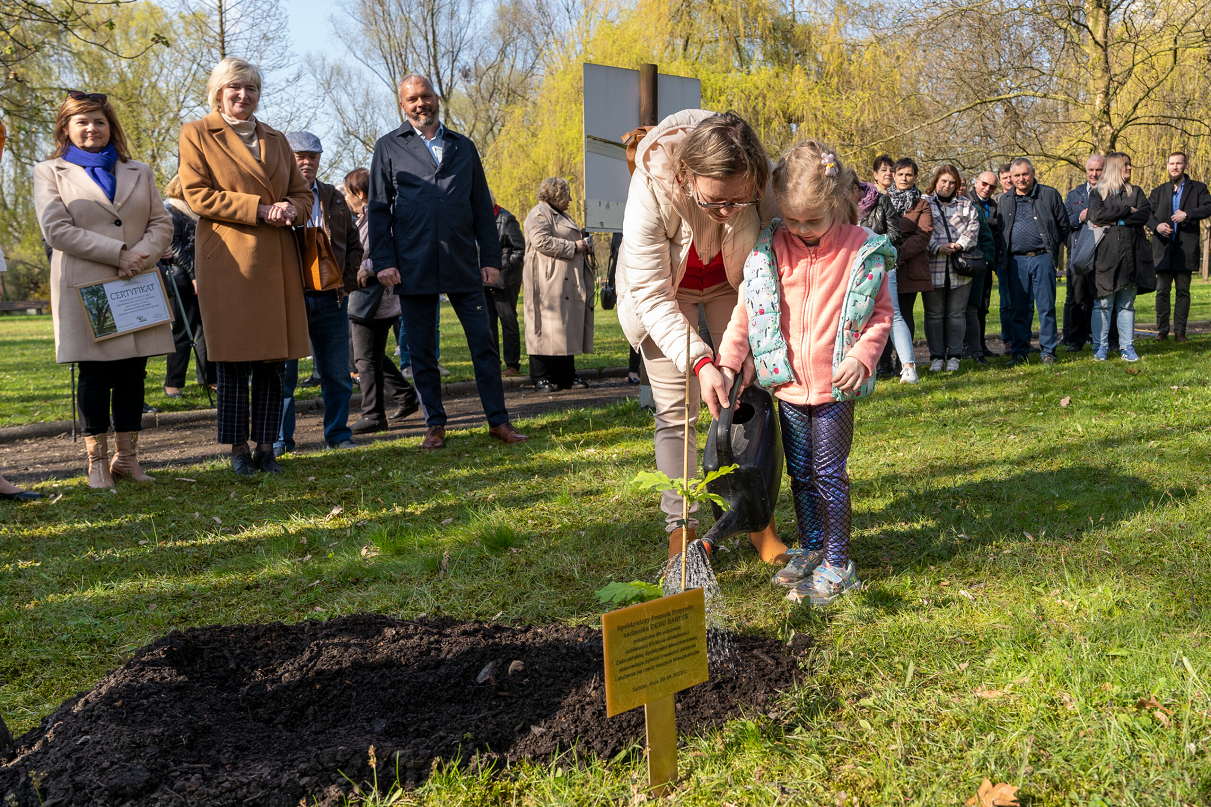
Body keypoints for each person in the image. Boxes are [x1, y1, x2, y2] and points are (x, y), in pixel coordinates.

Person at [709, 140, 892, 606]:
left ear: (835, 202)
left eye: (813, 220)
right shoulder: (771, 249)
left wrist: (861, 357)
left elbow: (881, 315)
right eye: (792, 219)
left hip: (835, 386)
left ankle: (837, 561)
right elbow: (747, 313)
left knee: (829, 472)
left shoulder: (860, 251)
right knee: (802, 473)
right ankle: (811, 547)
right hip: (789, 386)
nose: (801, 230)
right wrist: (729, 361)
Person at [616, 109, 783, 562]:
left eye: (739, 202)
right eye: (715, 203)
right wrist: (702, 364)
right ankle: (683, 530)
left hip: (733, 284)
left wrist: (744, 342)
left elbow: (766, 262)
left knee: (748, 398)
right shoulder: (652, 184)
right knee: (677, 412)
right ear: (687, 176)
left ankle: (756, 518)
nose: (728, 213)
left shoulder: (759, 176)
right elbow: (650, 292)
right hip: (667, 293)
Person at [368, 73, 528, 450]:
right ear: (402, 106)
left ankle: (498, 421)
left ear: (436, 98)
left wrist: (490, 258)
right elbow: (377, 210)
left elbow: (480, 207)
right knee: (421, 350)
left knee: (484, 344)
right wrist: (383, 261)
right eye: (412, 100)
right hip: (413, 263)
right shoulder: (388, 147)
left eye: (425, 96)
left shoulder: (463, 146)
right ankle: (434, 425)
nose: (420, 104)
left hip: (462, 263)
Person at [178, 57, 313, 476]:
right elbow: (198, 195)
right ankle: (238, 450)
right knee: (233, 360)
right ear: (218, 92)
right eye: (234, 88)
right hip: (229, 260)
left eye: (251, 88)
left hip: (276, 259)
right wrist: (260, 209)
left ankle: (267, 448)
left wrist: (292, 207)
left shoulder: (275, 138)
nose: (243, 95)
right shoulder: (197, 133)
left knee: (274, 361)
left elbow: (303, 194)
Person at [33, 90, 173, 488]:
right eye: (82, 122)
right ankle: (96, 464)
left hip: (136, 281)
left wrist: (141, 255)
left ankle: (126, 459)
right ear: (66, 128)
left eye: (99, 121)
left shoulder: (138, 170)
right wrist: (119, 253)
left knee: (134, 372)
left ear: (111, 127)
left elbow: (162, 223)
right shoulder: (49, 171)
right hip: (86, 284)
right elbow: (56, 229)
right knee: (95, 375)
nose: (92, 128)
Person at [274, 131, 361, 456]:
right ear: (287, 159)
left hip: (330, 298)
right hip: (287, 298)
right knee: (284, 376)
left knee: (337, 373)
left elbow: (354, 244)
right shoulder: (275, 196)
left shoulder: (332, 197)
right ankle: (282, 440)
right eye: (300, 156)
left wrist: (345, 283)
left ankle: (338, 435)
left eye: (313, 156)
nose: (307, 161)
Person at [346, 167, 420, 432]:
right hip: (373, 299)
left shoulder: (380, 217)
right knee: (372, 355)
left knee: (364, 359)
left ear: (359, 193)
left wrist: (365, 267)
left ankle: (374, 414)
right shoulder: (366, 218)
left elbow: (395, 250)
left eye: (348, 192)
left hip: (375, 299)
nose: (346, 197)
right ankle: (404, 396)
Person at [996, 158, 1070, 366]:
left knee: (1046, 307)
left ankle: (1048, 352)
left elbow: (1063, 226)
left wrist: (1052, 250)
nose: (1021, 179)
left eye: (1024, 174)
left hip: (1042, 258)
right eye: (1016, 176)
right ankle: (1020, 352)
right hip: (1015, 261)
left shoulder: (1049, 194)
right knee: (1018, 308)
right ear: (1011, 177)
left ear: (1033, 173)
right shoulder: (1005, 200)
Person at [523, 177, 595, 391]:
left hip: (563, 281)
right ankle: (540, 376)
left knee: (566, 325)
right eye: (566, 195)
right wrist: (574, 246)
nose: (571, 199)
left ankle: (565, 375)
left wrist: (583, 247)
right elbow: (540, 241)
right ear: (556, 195)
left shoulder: (559, 214)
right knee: (543, 326)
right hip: (547, 281)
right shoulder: (538, 213)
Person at [1088, 152, 1152, 362]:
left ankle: (1127, 348)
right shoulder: (1098, 192)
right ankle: (1100, 349)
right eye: (1125, 165)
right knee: (1103, 304)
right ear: (1115, 167)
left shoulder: (1137, 191)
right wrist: (1125, 210)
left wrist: (1119, 221)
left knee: (1126, 304)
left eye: (1130, 165)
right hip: (1106, 258)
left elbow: (1144, 214)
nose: (1129, 168)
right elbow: (1096, 215)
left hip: (1132, 256)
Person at [1147, 151, 1211, 342]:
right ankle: (1162, 331)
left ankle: (1180, 332)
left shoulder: (1198, 188)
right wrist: (1156, 225)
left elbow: (1208, 207)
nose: (1174, 167)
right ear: (1167, 166)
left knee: (1183, 291)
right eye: (1171, 163)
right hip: (1163, 249)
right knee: (1162, 292)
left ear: (1186, 166)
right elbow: (1146, 214)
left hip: (1186, 250)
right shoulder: (1157, 191)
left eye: (1178, 163)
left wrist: (1188, 214)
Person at [160, 175, 212, 397]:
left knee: (206, 332)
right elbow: (175, 248)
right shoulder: (171, 211)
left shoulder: (197, 211)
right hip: (181, 279)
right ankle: (173, 384)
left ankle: (210, 379)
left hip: (203, 275)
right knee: (183, 331)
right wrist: (193, 275)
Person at [924, 164, 979, 372]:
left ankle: (954, 356)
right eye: (943, 181)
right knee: (934, 314)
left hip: (960, 268)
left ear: (957, 185)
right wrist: (937, 248)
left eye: (951, 182)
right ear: (936, 181)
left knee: (957, 314)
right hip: (933, 265)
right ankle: (936, 357)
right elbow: (921, 232)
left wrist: (959, 245)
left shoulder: (966, 204)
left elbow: (974, 227)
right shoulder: (925, 203)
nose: (947, 185)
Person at [886, 157, 933, 383]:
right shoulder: (882, 199)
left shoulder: (921, 204)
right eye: (901, 174)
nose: (905, 178)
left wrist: (899, 254)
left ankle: (903, 363)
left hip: (908, 266)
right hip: (884, 264)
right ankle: (883, 362)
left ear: (915, 177)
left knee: (903, 314)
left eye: (909, 175)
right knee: (882, 314)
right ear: (893, 175)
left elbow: (923, 235)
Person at [853, 179, 902, 377]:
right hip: (853, 264)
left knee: (889, 314)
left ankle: (905, 365)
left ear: (855, 188)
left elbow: (895, 234)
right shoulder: (839, 203)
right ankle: (876, 364)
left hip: (878, 262)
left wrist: (867, 240)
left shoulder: (881, 201)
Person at [1063, 155, 1105, 352]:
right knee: (1077, 297)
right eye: (1091, 170)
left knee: (1102, 297)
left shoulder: (1110, 192)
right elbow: (1063, 222)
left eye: (1098, 170)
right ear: (1086, 171)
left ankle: (1101, 339)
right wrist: (1079, 217)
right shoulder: (1074, 195)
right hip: (1079, 252)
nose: (1094, 174)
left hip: (1104, 252)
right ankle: (1076, 340)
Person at [487, 194, 525, 377]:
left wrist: (503, 270)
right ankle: (492, 365)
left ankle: (512, 365)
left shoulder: (506, 219)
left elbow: (520, 248)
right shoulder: (479, 219)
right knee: (488, 323)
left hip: (506, 280)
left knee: (508, 321)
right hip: (484, 279)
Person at [967, 171, 1000, 360]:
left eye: (992, 187)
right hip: (968, 261)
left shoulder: (994, 205)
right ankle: (968, 346)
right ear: (976, 182)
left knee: (983, 306)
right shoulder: (969, 201)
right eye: (984, 184)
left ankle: (980, 344)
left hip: (985, 262)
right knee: (968, 306)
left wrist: (989, 260)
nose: (987, 189)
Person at [608, 232, 642, 383]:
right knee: (636, 327)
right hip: (628, 282)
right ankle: (633, 370)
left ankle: (636, 371)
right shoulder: (619, 233)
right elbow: (616, 258)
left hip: (638, 279)